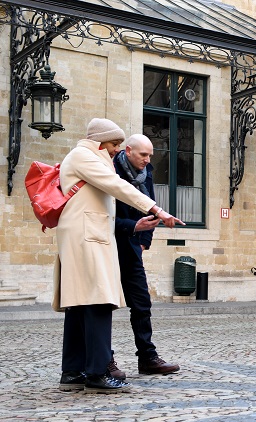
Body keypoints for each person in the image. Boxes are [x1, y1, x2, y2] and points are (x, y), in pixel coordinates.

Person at [54, 118, 185, 394]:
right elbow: (117, 186)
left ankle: (72, 371)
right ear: (101, 141)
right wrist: (157, 210)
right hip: (87, 238)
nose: (116, 149)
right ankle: (98, 372)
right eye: (114, 144)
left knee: (79, 305)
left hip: (87, 236)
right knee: (100, 301)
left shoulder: (88, 157)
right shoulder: (83, 156)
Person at [107, 134, 180, 379]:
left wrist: (143, 244)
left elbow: (150, 205)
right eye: (143, 155)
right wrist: (131, 227)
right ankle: (106, 359)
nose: (148, 161)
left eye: (150, 156)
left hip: (133, 245)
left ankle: (147, 358)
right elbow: (101, 216)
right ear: (127, 151)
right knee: (104, 303)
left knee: (141, 302)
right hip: (107, 243)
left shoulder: (145, 172)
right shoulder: (110, 169)